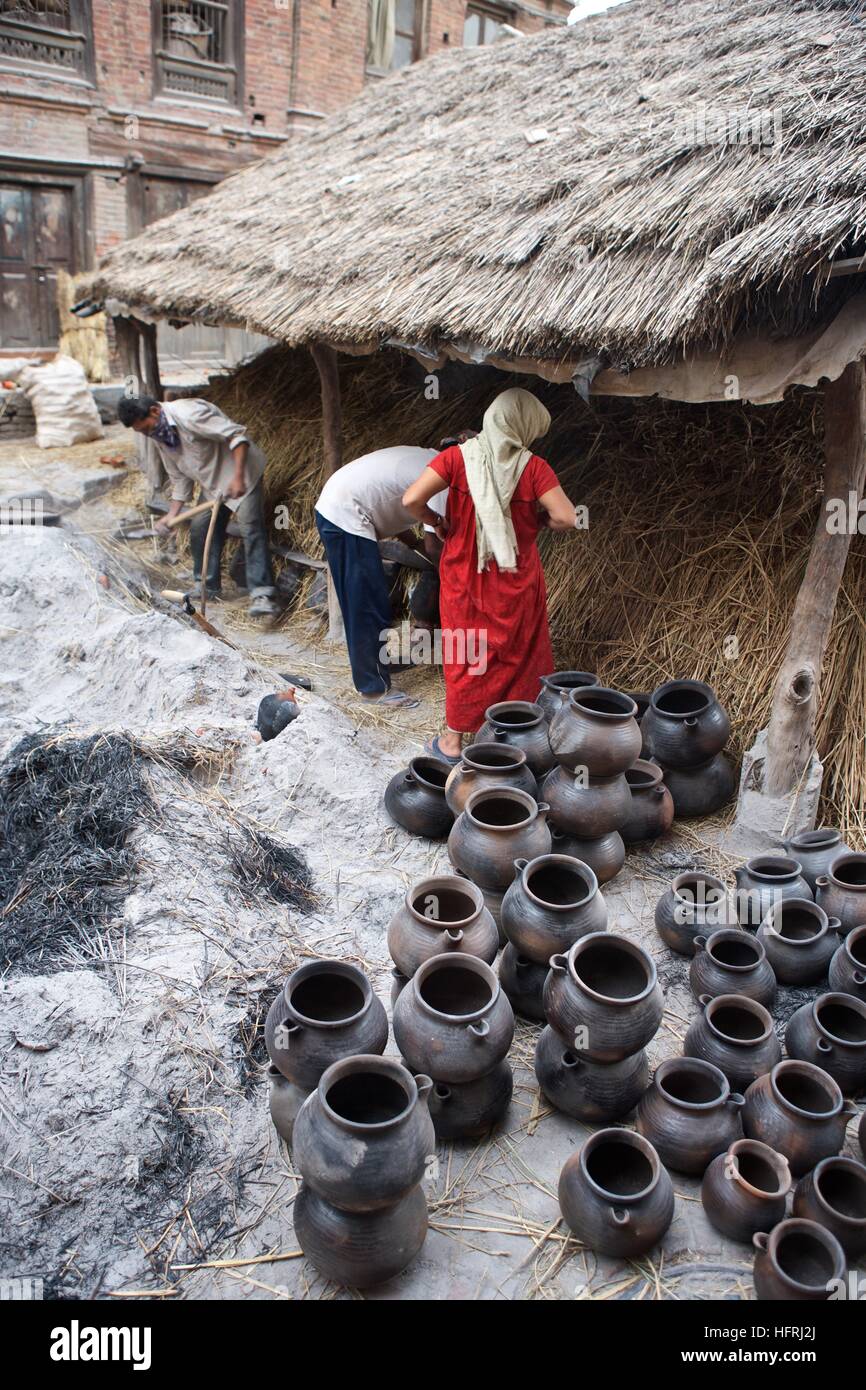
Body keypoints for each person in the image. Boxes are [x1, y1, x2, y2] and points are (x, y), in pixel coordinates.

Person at [402, 387, 579, 761]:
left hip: (463, 577)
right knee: (517, 652)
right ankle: (518, 733)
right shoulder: (533, 468)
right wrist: (539, 520)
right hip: (515, 578)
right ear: (523, 426)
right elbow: (567, 517)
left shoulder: (456, 459)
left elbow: (411, 500)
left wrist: (437, 521)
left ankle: (453, 742)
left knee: (467, 653)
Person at [117, 394, 277, 617]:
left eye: (145, 428)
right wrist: (172, 516)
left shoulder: (190, 415)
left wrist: (238, 477)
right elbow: (179, 478)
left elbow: (237, 436)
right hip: (213, 483)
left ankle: (262, 594)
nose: (147, 434)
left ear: (155, 411)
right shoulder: (159, 433)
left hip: (242, 473)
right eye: (141, 432)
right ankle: (207, 587)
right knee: (200, 528)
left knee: (251, 528)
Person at [314, 445, 449, 706]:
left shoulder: (428, 460)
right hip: (346, 514)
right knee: (366, 604)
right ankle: (374, 689)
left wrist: (412, 544)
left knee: (371, 600)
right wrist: (453, 576)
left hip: (343, 503)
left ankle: (378, 666)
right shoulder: (442, 480)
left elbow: (390, 499)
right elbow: (435, 547)